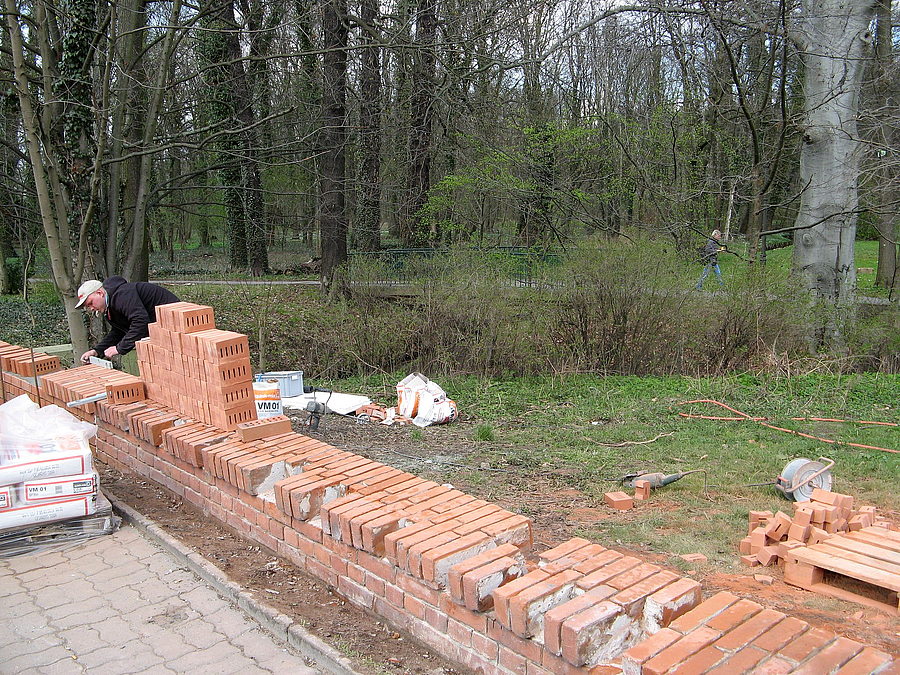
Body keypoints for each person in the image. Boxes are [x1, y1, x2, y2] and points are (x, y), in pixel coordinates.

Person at [77, 276, 180, 365]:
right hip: (160, 328)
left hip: (176, 323)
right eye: (88, 306)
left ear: (100, 293)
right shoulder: (109, 306)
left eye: (90, 303)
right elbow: (119, 331)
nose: (91, 308)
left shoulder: (122, 296)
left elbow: (140, 322)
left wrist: (119, 348)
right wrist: (97, 351)